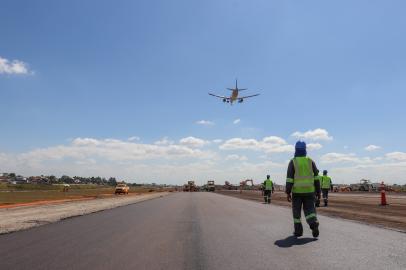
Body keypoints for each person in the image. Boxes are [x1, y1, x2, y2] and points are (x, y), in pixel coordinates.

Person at [286, 141, 321, 238]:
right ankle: (313, 224)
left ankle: (298, 231)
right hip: (310, 192)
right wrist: (318, 192)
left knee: (296, 213)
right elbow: (317, 178)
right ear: (305, 150)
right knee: (310, 211)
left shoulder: (293, 162)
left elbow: (289, 179)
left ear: (295, 150)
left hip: (297, 192)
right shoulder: (310, 161)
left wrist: (288, 192)